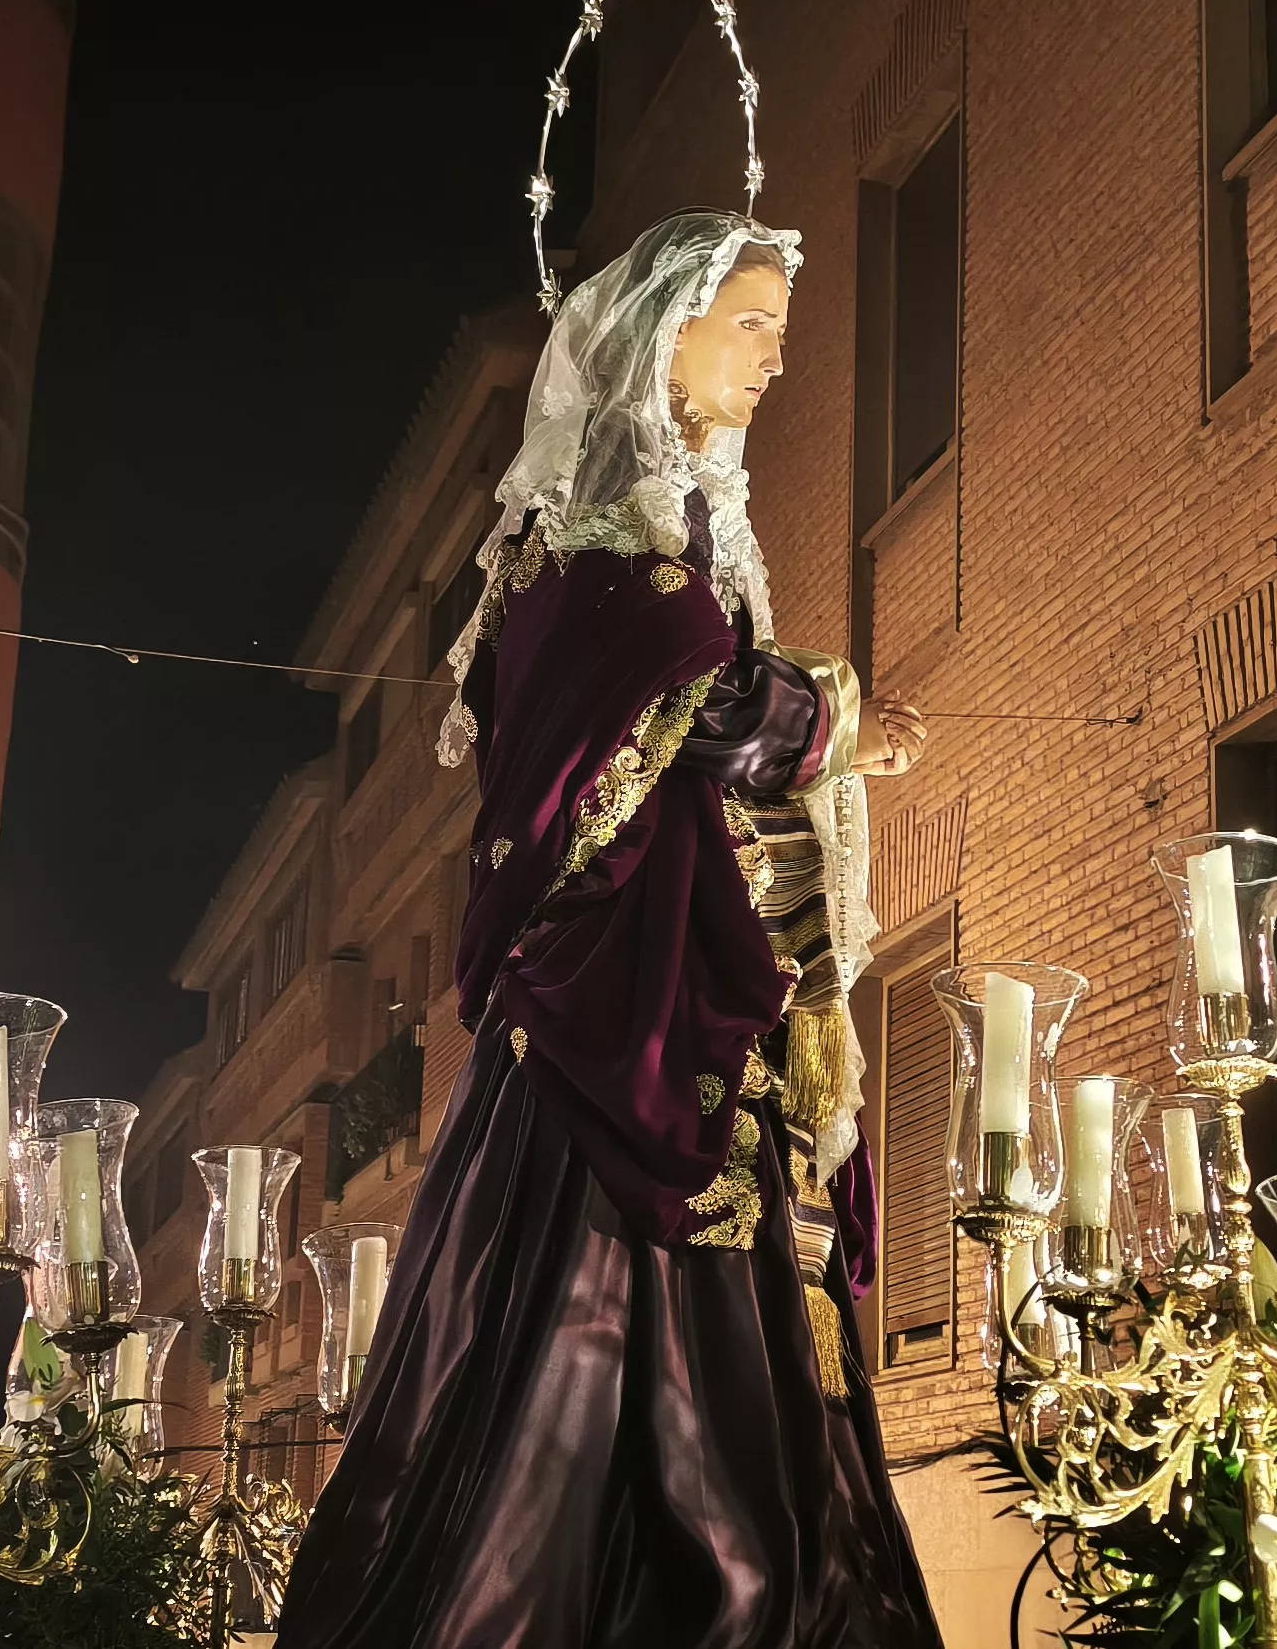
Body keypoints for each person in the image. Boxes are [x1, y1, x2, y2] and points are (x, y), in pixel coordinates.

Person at [271, 209, 941, 1649]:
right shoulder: (595, 551)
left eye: (779, 331)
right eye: (749, 324)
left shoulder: (669, 548)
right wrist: (832, 715)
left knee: (744, 1374)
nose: (771, 359)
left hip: (690, 981)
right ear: (664, 334)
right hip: (608, 1014)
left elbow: (706, 686)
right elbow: (680, 684)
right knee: (568, 1372)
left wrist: (818, 725)